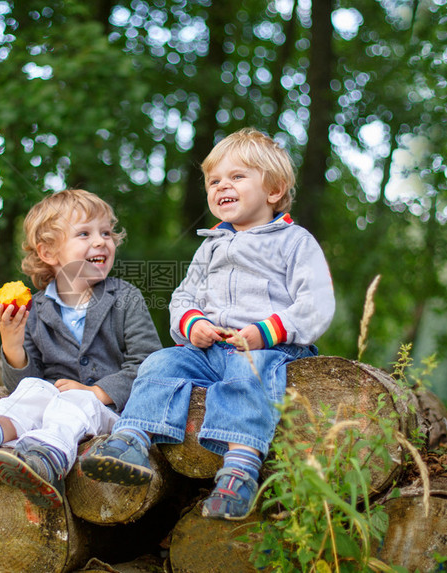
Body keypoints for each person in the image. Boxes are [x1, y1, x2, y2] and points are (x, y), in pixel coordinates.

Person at [80, 128, 336, 520]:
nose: (222, 186)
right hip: (208, 348)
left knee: (245, 378)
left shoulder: (294, 242)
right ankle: (130, 441)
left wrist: (267, 330)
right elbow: (182, 298)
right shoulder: (211, 245)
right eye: (214, 180)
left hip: (267, 348)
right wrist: (192, 323)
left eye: (237, 177)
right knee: (159, 364)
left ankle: (239, 471)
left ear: (273, 190)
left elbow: (316, 303)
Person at [0, 188, 161, 509]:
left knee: (75, 399)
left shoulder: (125, 298)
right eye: (85, 233)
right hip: (55, 407)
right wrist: (12, 342)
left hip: (112, 415)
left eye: (106, 233)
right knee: (33, 387)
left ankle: (49, 457)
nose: (101, 241)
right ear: (48, 252)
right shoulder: (36, 308)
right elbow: (22, 385)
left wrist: (96, 392)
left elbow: (149, 364)